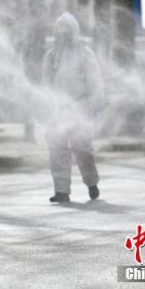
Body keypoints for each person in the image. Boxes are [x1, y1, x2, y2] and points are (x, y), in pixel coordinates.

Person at [41, 12, 103, 203]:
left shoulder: (85, 54)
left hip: (80, 107)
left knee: (83, 149)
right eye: (60, 30)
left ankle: (91, 182)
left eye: (67, 30)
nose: (63, 34)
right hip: (58, 110)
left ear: (74, 31)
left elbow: (95, 81)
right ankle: (61, 191)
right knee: (57, 149)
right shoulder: (51, 56)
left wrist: (94, 106)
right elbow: (46, 84)